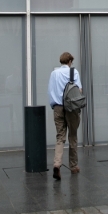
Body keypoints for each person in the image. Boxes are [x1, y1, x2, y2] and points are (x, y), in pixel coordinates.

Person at [47, 51, 82, 180]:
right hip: (71, 108)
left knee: (60, 137)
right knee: (72, 136)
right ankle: (73, 166)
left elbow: (50, 91)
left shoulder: (54, 74)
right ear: (70, 61)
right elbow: (79, 90)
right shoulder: (74, 72)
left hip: (57, 107)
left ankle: (57, 164)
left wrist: (54, 105)